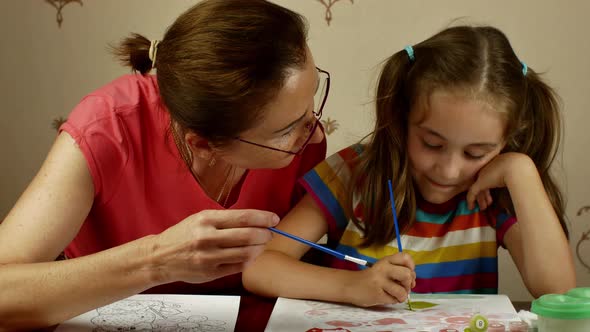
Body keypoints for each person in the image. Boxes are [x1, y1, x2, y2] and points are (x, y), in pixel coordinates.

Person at [0, 0, 327, 329]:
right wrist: (157, 261)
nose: (315, 137)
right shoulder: (106, 128)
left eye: (314, 92)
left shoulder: (304, 144)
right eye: (287, 130)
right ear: (202, 142)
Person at [243, 25, 576, 308]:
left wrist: (521, 170)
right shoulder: (355, 171)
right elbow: (259, 267)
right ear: (402, 120)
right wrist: (351, 287)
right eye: (432, 144)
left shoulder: (496, 192)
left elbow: (558, 292)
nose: (448, 170)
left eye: (476, 153)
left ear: (506, 141)